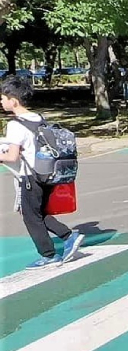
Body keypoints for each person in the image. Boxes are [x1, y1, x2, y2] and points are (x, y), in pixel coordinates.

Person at [0, 75, 85, 269]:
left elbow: (12, 156)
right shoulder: (37, 118)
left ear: (13, 100)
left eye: (3, 98)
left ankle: (48, 254)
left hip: (29, 176)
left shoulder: (14, 124)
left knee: (30, 216)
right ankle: (68, 236)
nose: (1, 102)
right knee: (37, 212)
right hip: (45, 173)